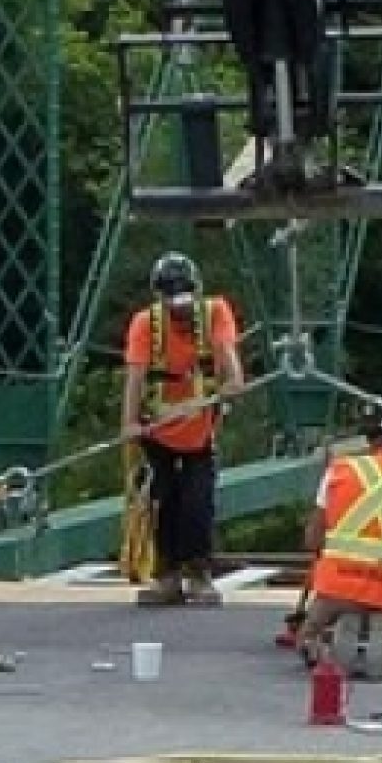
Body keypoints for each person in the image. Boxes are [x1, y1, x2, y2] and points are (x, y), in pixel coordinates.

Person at [122, 252, 244, 605]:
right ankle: (167, 574)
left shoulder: (215, 313)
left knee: (198, 500)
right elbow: (135, 376)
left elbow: (229, 363)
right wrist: (130, 423)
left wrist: (231, 383)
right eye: (174, 304)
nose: (182, 312)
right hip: (158, 429)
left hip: (200, 429)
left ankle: (199, 572)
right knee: (163, 500)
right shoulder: (146, 324)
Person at [297, 412, 382, 672]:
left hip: (334, 591)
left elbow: (313, 540)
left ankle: (317, 638)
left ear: (374, 444)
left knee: (310, 632)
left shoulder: (339, 470)